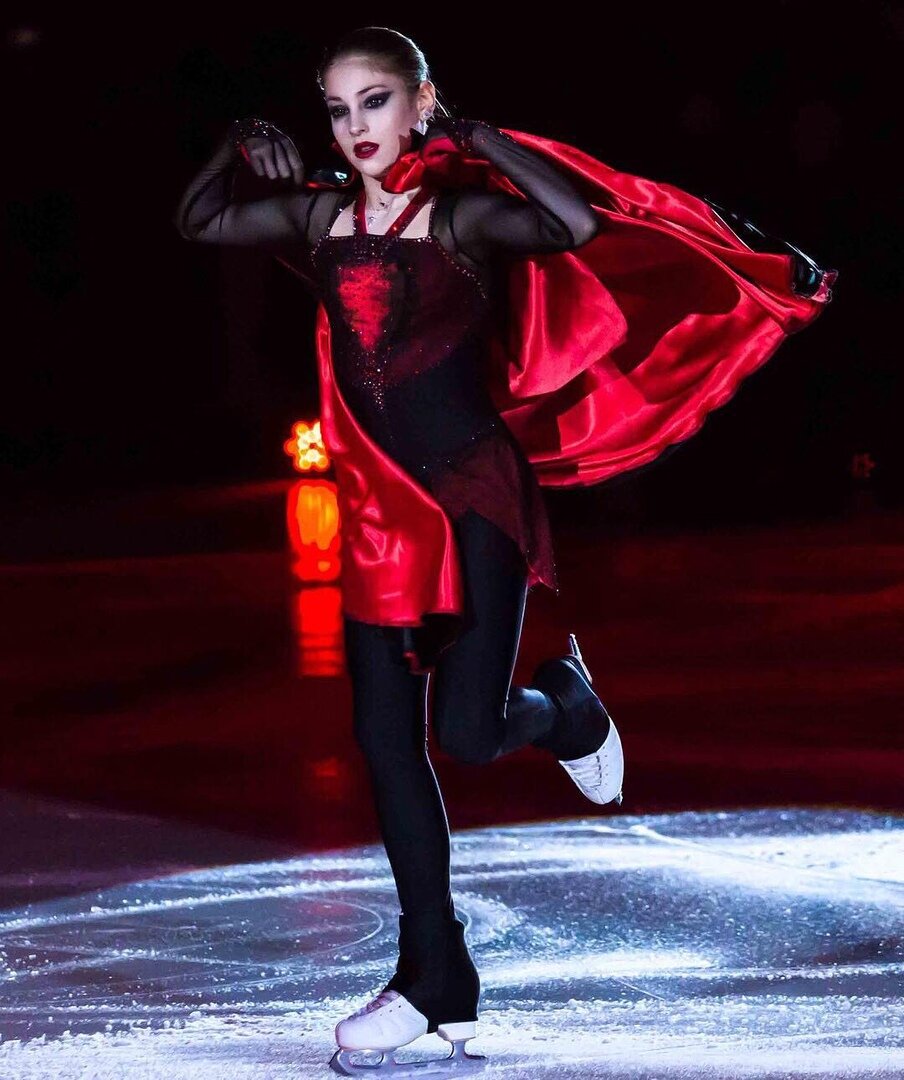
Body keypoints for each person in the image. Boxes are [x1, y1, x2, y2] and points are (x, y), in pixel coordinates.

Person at [173, 25, 836, 1076]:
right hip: (384, 513)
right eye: (338, 110)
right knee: (385, 741)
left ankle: (563, 708)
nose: (355, 127)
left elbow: (574, 223)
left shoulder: (461, 218)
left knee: (468, 733)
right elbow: (201, 218)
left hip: (475, 497)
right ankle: (432, 976)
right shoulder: (318, 215)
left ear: (419, 101)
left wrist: (481, 139)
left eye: (376, 102)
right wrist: (236, 142)